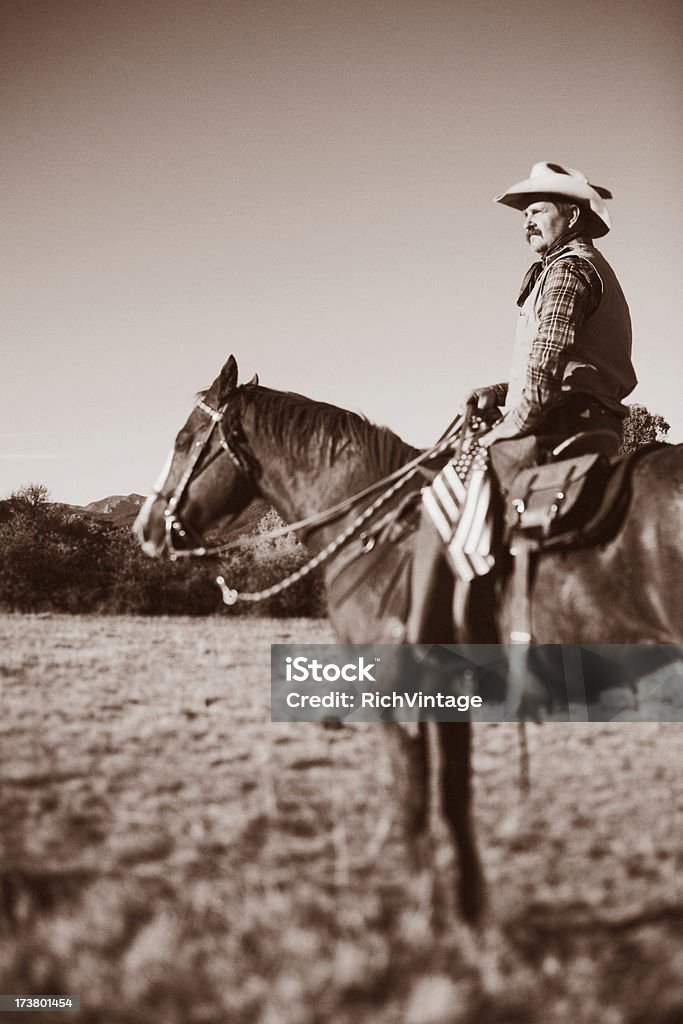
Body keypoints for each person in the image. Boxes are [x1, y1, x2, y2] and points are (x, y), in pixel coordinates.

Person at [406, 161, 637, 644]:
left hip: (559, 427)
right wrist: (500, 390)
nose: (526, 221)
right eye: (524, 213)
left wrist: (509, 422)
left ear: (572, 216)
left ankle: (429, 642)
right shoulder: (591, 269)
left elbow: (546, 363)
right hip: (596, 424)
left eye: (537, 210)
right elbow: (572, 365)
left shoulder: (568, 271)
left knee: (442, 497)